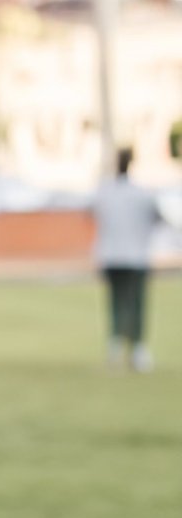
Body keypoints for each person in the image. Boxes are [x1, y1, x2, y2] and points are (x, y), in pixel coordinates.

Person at [94, 147, 168, 371]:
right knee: (135, 304)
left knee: (117, 302)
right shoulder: (142, 193)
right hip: (136, 256)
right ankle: (137, 349)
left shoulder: (105, 192)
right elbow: (159, 217)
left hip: (112, 255)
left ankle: (117, 346)